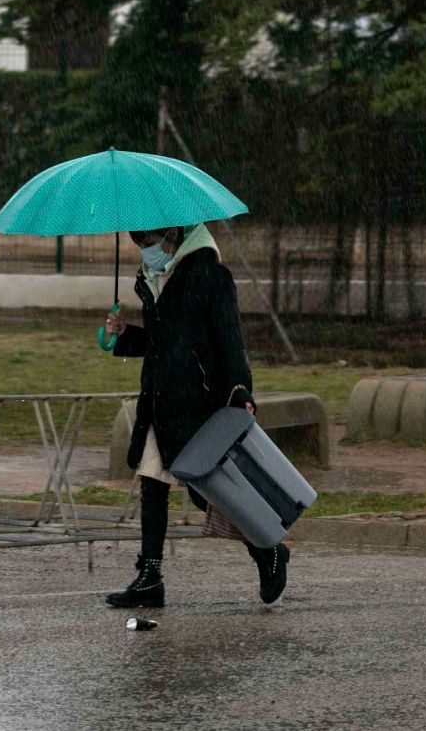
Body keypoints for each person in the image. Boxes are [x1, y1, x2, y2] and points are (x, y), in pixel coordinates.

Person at [101, 222, 290, 608]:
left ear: (171, 234)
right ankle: (150, 576)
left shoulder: (210, 275)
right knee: (152, 483)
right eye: (139, 244)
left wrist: (240, 389)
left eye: (149, 242)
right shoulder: (153, 277)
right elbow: (162, 342)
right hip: (159, 399)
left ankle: (268, 550)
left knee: (213, 495)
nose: (145, 251)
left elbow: (230, 339)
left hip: (198, 403)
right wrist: (124, 334)